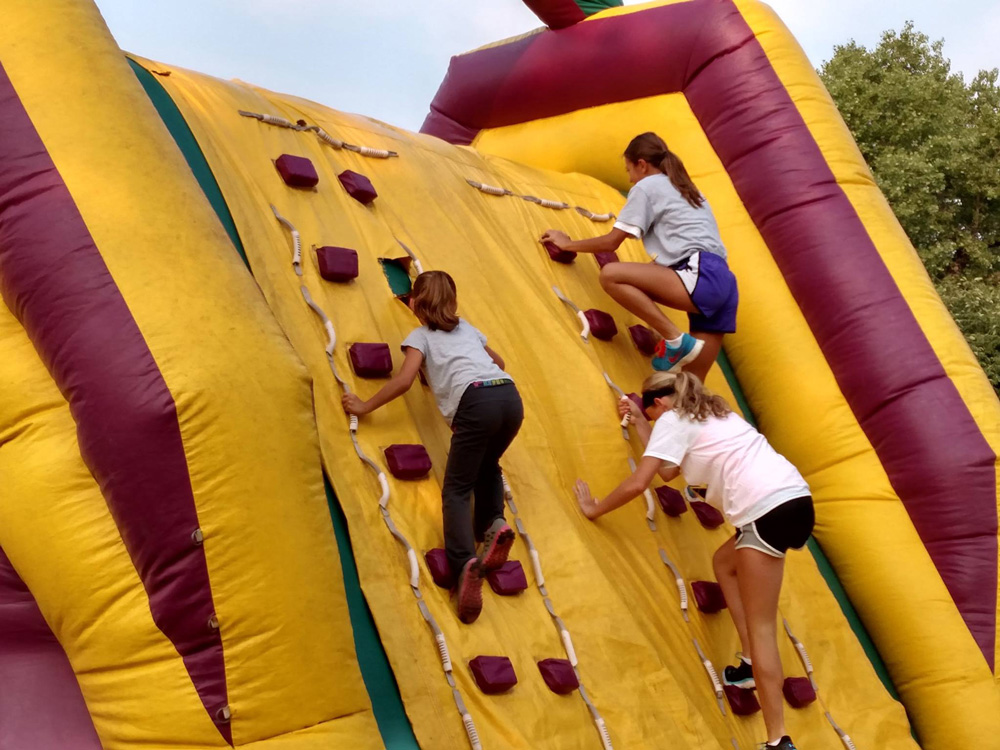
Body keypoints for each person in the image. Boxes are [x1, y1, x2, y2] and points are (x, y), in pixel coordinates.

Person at [573, 371, 812, 750]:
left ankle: (777, 739)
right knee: (724, 564)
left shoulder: (671, 418)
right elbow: (668, 471)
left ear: (660, 403)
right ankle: (748, 661)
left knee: (763, 626)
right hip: (794, 499)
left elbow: (642, 483)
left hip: (765, 511)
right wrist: (638, 421)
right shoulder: (714, 413)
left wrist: (594, 509)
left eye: (649, 413)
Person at [343, 271, 522, 624]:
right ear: (453, 303)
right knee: (489, 465)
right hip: (509, 397)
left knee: (456, 489)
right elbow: (498, 363)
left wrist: (364, 406)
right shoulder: (467, 328)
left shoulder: (420, 336)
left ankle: (463, 565)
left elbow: (404, 380)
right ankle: (494, 522)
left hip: (476, 403)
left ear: (416, 303)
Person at [541, 132, 738, 381]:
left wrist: (568, 244)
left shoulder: (647, 186)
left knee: (611, 275)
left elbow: (612, 241)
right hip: (724, 284)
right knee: (693, 382)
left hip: (701, 274)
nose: (631, 179)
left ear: (642, 164)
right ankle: (694, 408)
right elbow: (677, 250)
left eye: (629, 170)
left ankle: (675, 339)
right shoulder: (687, 189)